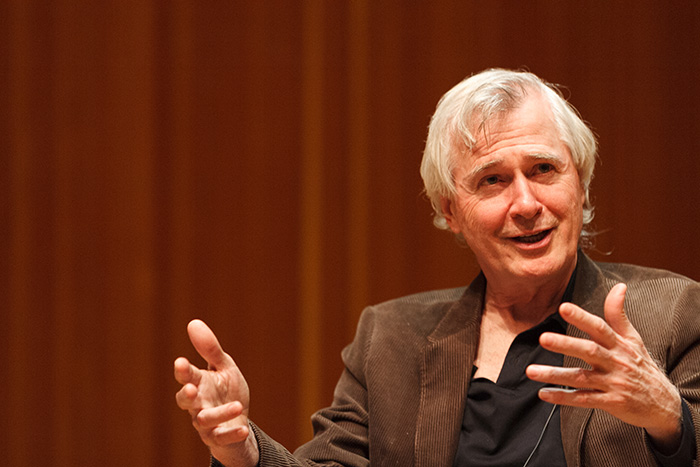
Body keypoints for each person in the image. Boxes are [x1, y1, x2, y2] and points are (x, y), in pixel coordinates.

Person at [174, 69, 700, 466]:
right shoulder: (391, 340)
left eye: (544, 169)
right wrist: (240, 443)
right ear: (450, 211)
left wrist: (669, 417)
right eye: (491, 180)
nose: (525, 203)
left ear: (580, 182)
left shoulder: (673, 316)